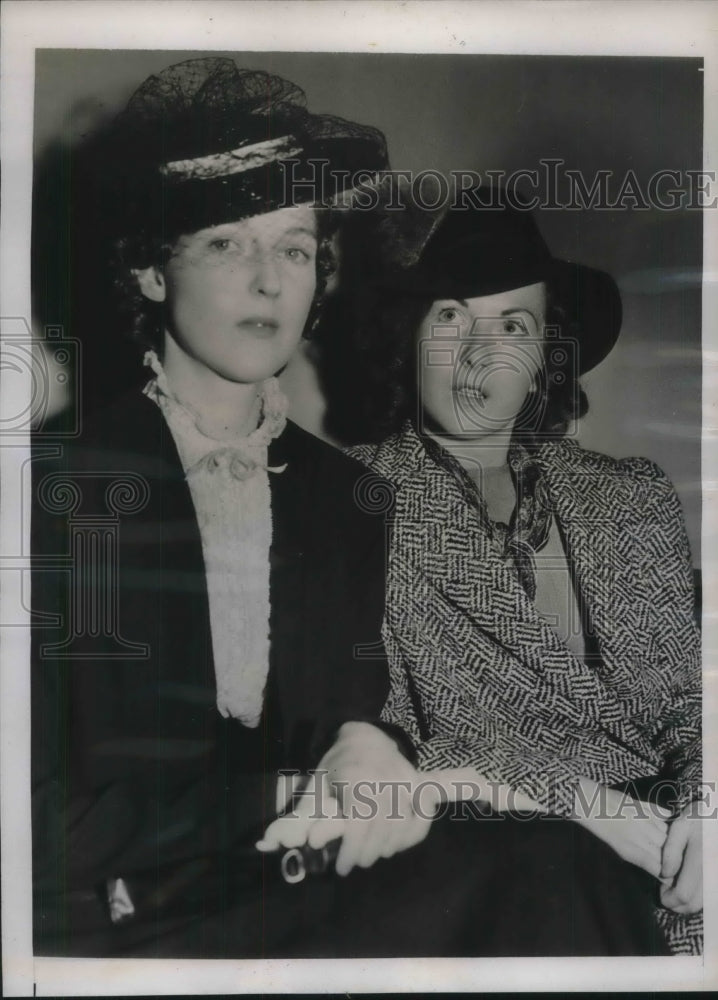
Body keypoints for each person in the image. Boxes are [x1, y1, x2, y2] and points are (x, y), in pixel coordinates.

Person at [29, 56, 427, 959]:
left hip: (314, 898)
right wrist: (283, 793)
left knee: (551, 868)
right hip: (118, 926)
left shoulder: (350, 496)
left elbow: (348, 711)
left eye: (294, 247)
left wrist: (371, 742)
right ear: (148, 273)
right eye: (225, 243)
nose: (269, 281)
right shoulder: (53, 489)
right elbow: (32, 816)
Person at [337, 186, 703, 955]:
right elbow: (383, 739)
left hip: (674, 855)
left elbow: (688, 701)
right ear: (407, 335)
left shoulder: (628, 494)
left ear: (543, 353)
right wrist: (575, 799)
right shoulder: (346, 501)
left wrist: (707, 805)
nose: (481, 354)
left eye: (514, 325)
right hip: (502, 872)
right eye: (450, 318)